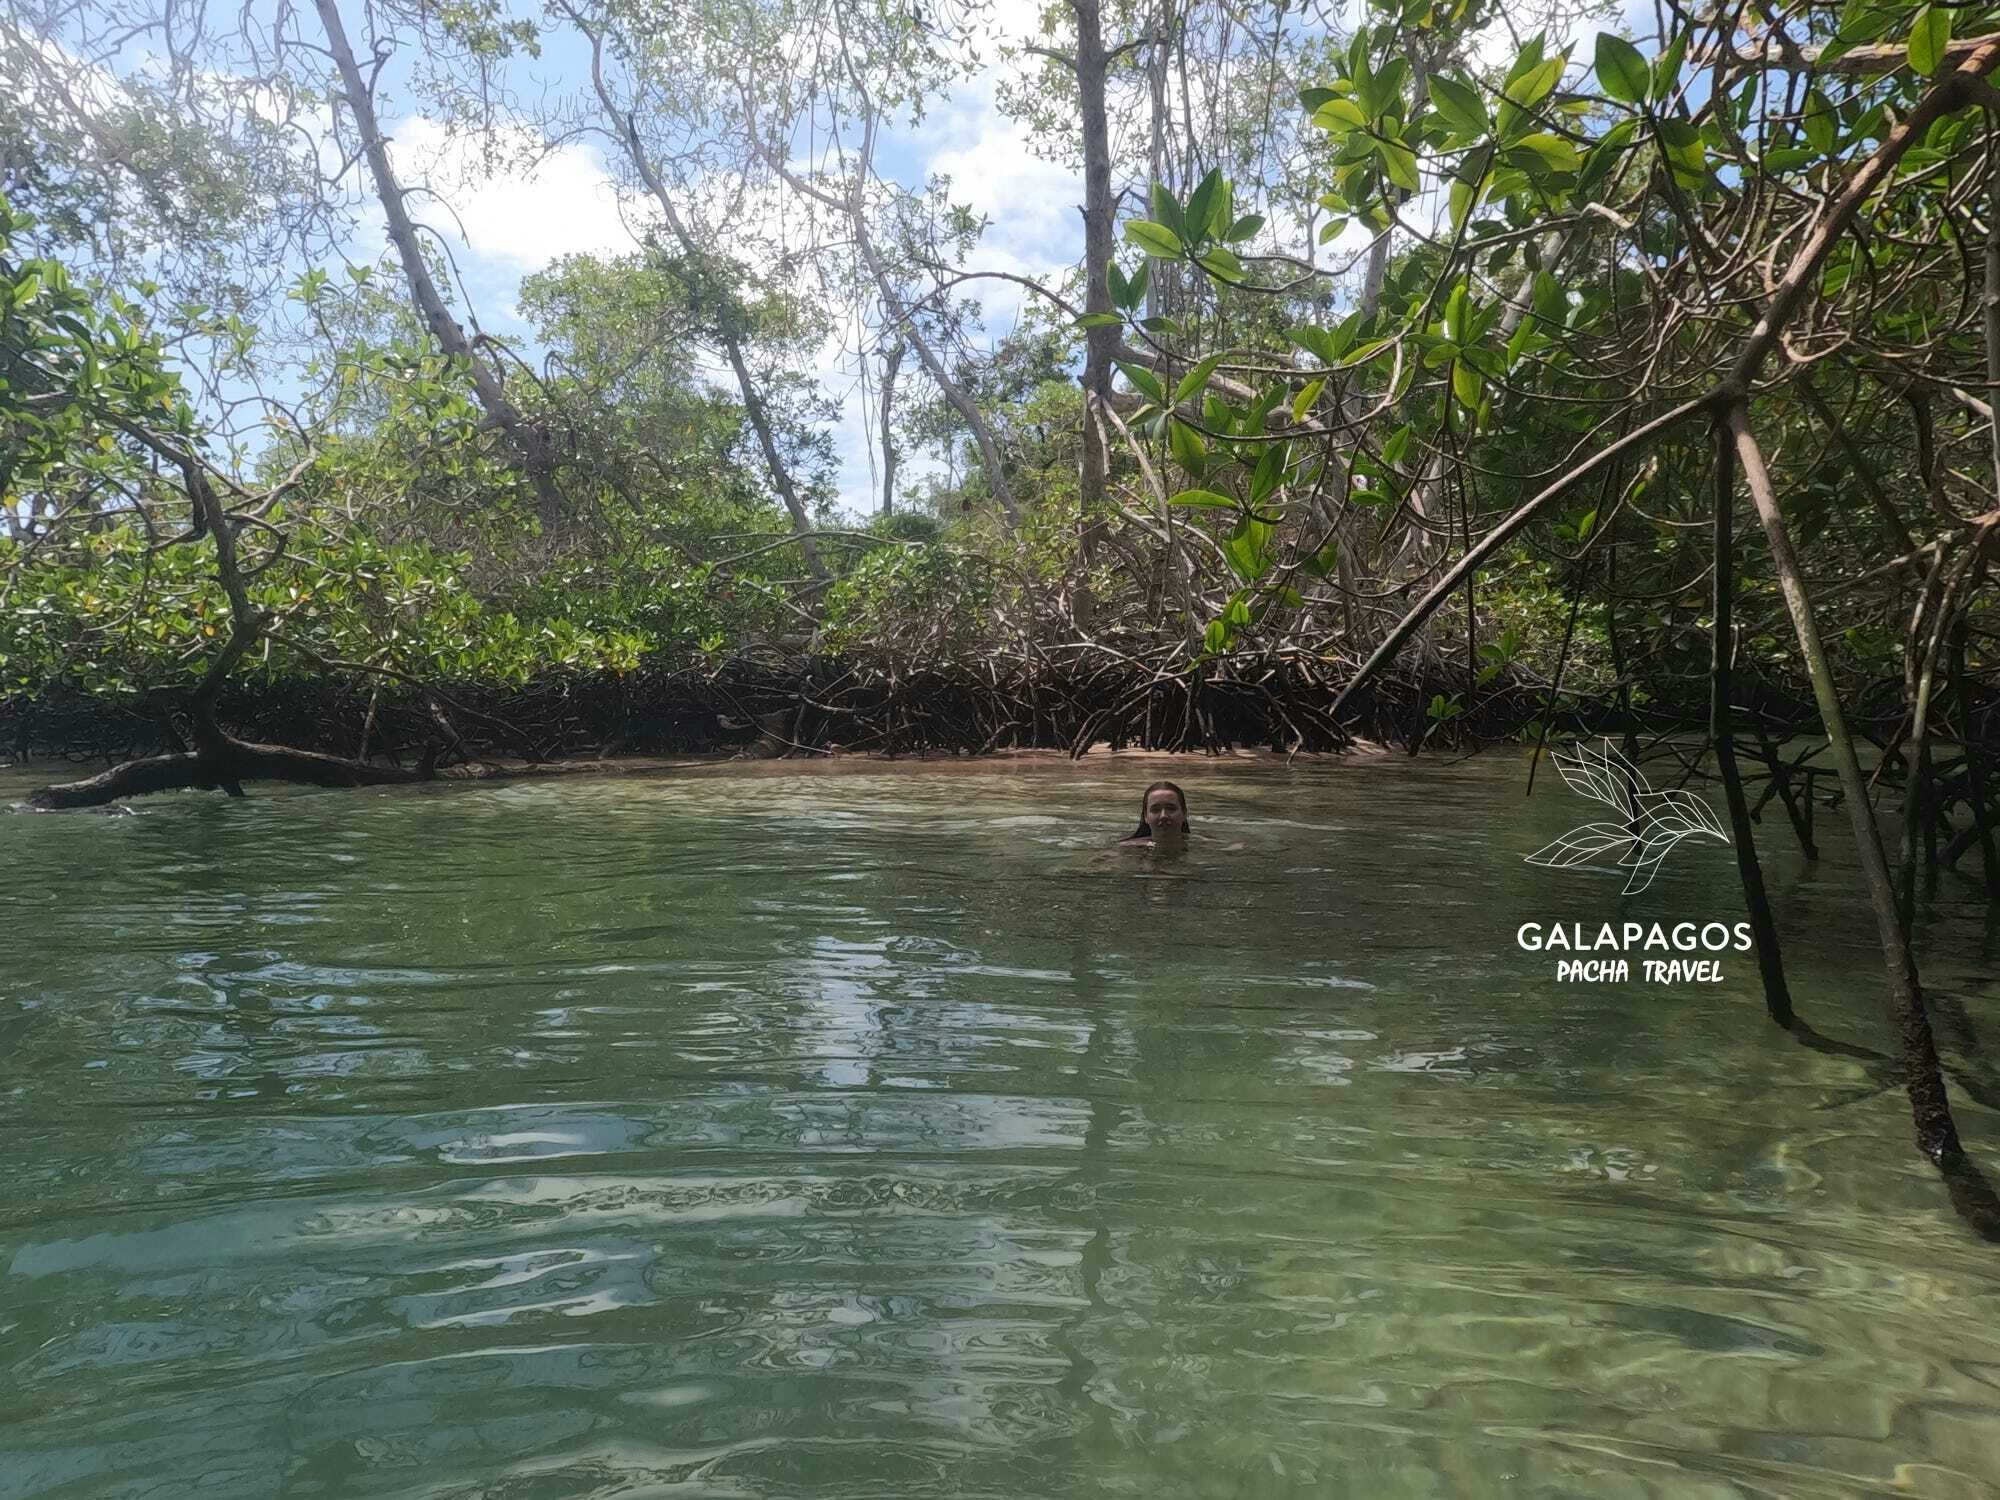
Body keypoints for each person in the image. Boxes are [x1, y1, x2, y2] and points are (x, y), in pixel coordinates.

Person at [1119, 780, 1191, 847]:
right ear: (1145, 817)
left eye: (1171, 808)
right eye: (1155, 810)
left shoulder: (1200, 847)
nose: (1163, 816)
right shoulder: (1126, 851)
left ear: (1184, 813)